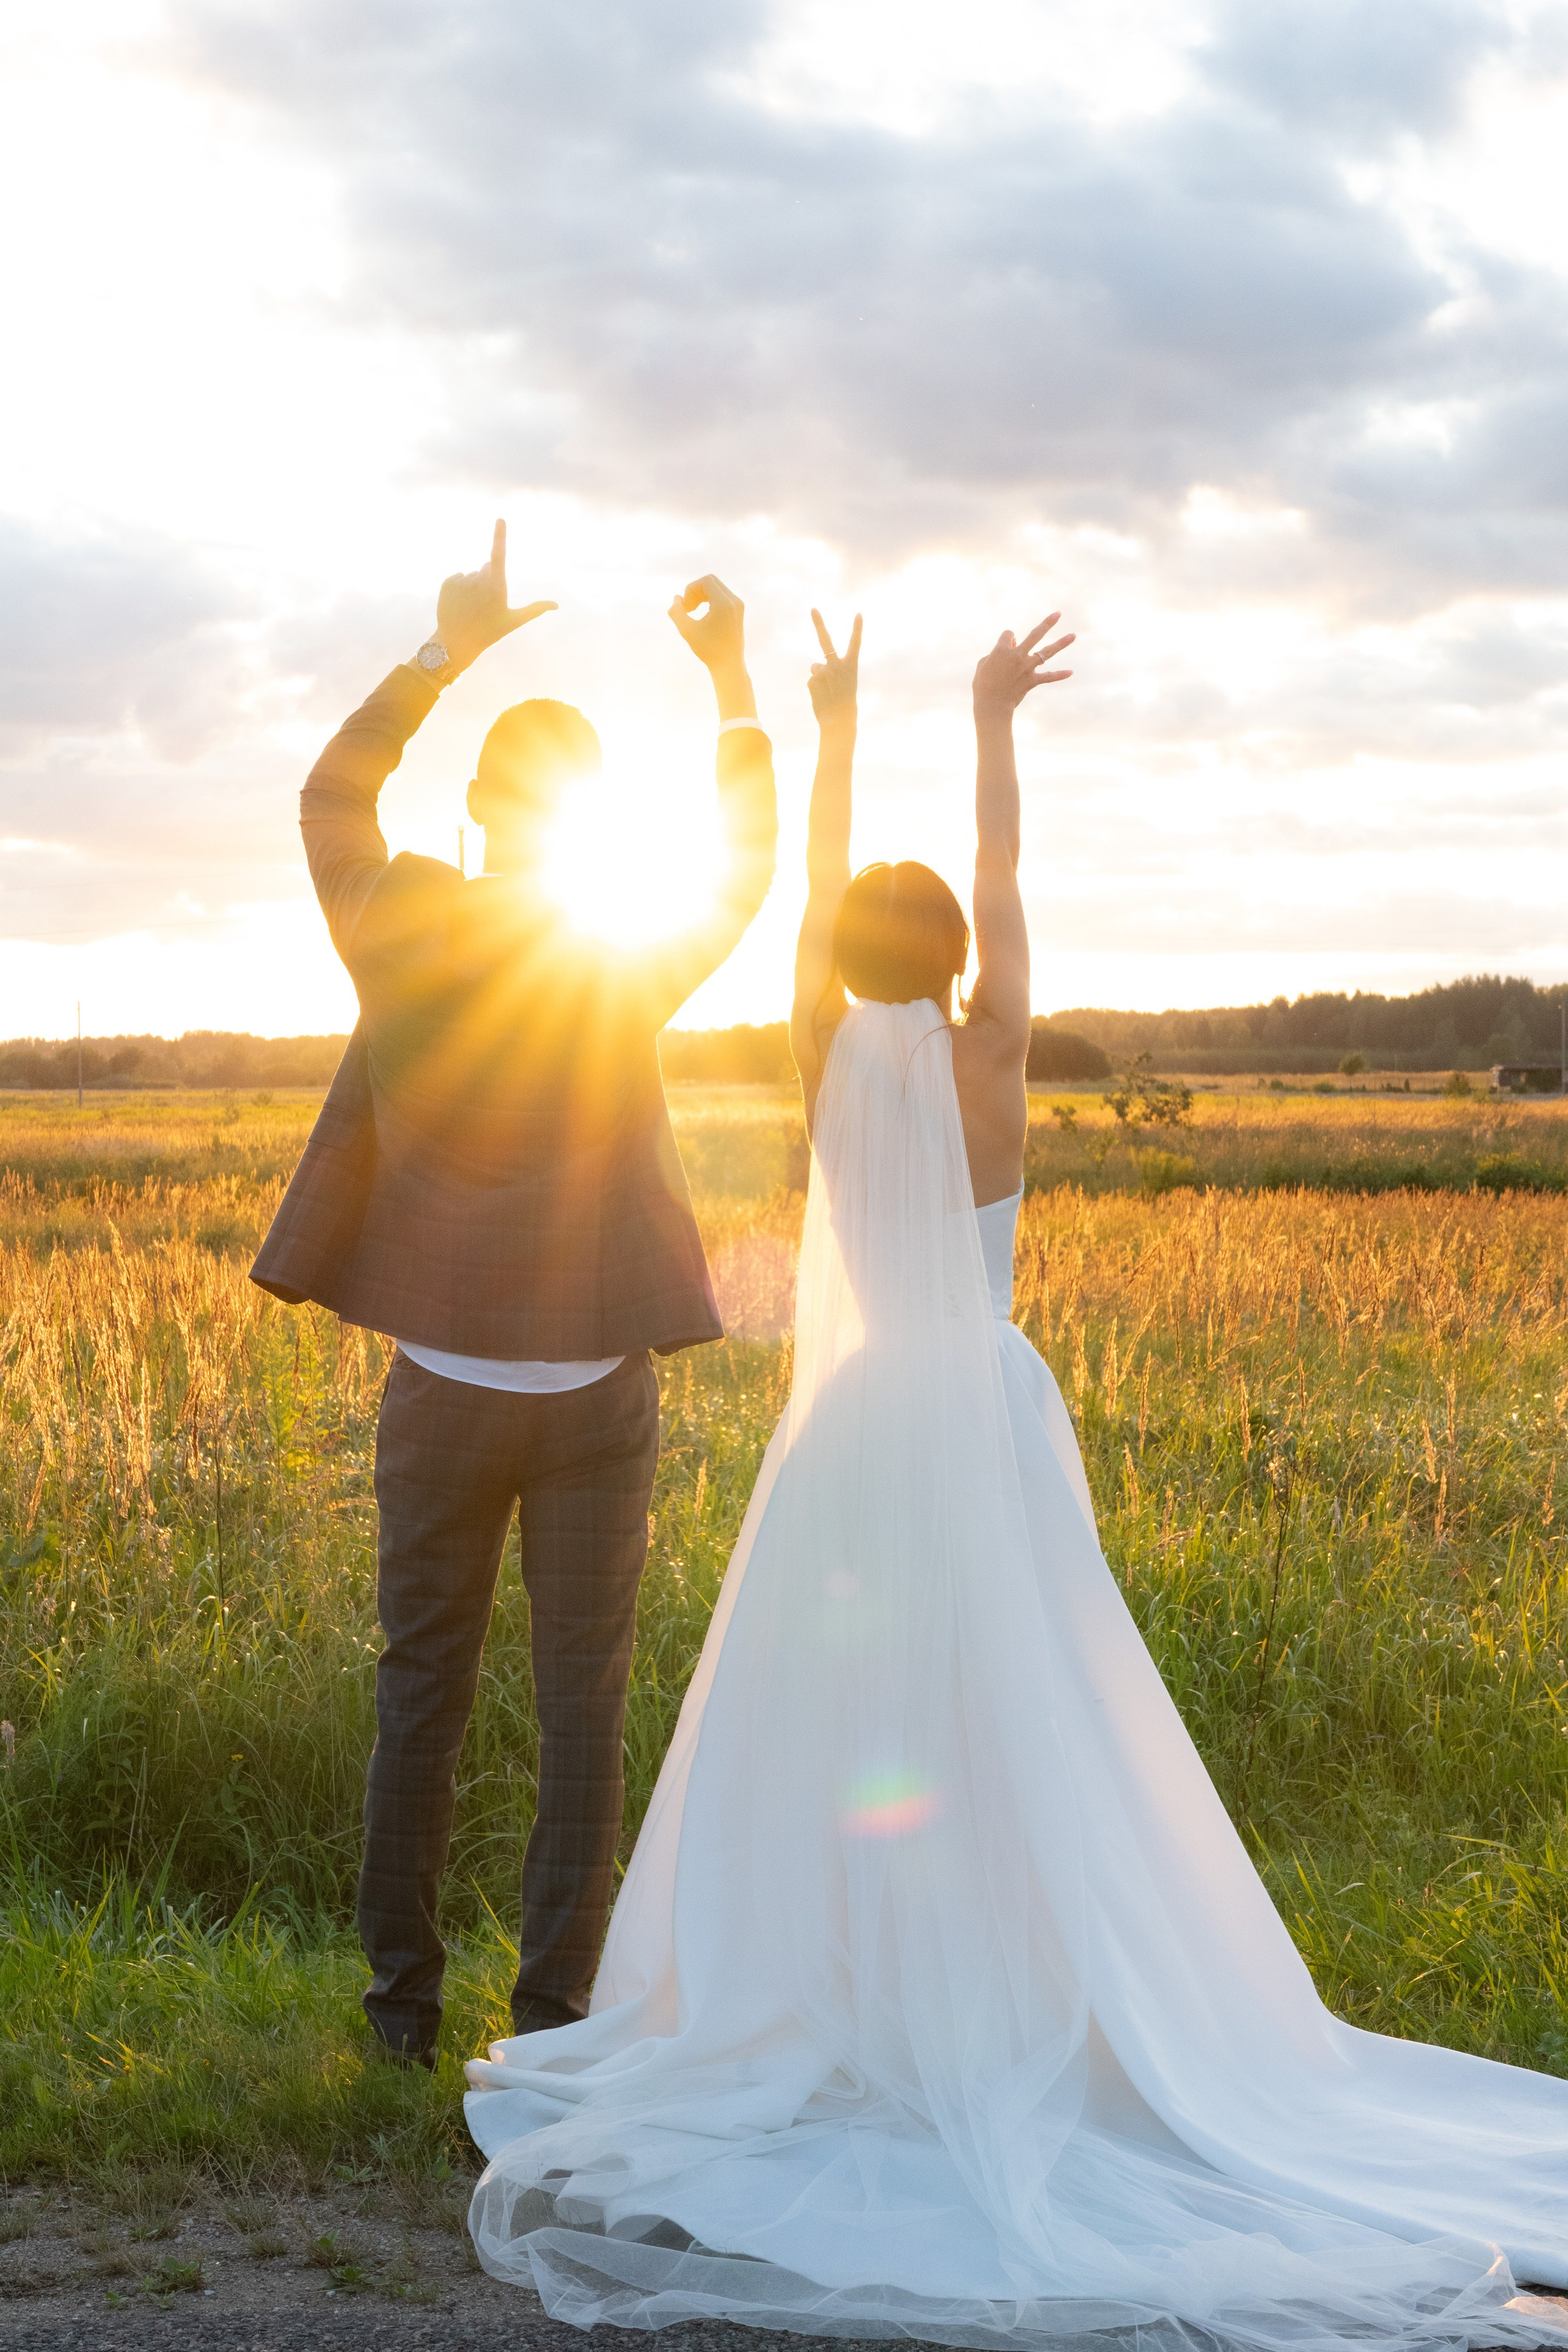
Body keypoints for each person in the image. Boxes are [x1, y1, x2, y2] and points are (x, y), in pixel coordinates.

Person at [461, 611, 1568, 2351]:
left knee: (835, 1735)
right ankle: (1015, 1995)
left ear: (841, 953)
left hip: (856, 1434)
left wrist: (836, 724)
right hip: (982, 1414)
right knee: (1020, 1717)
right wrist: (991, 719)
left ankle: (865, 2000)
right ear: (965, 956)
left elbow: (830, 879)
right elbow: (999, 860)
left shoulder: (821, 1049)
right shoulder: (993, 1057)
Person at [251, 524, 776, 2068]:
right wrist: (735, 682)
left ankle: (398, 2021)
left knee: (418, 1697)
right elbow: (740, 866)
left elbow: (329, 795)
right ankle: (550, 2025)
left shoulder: (400, 923)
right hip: (597, 1400)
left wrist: (447, 647)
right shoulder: (618, 956)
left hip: (440, 1392)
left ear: (479, 814)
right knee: (581, 1718)